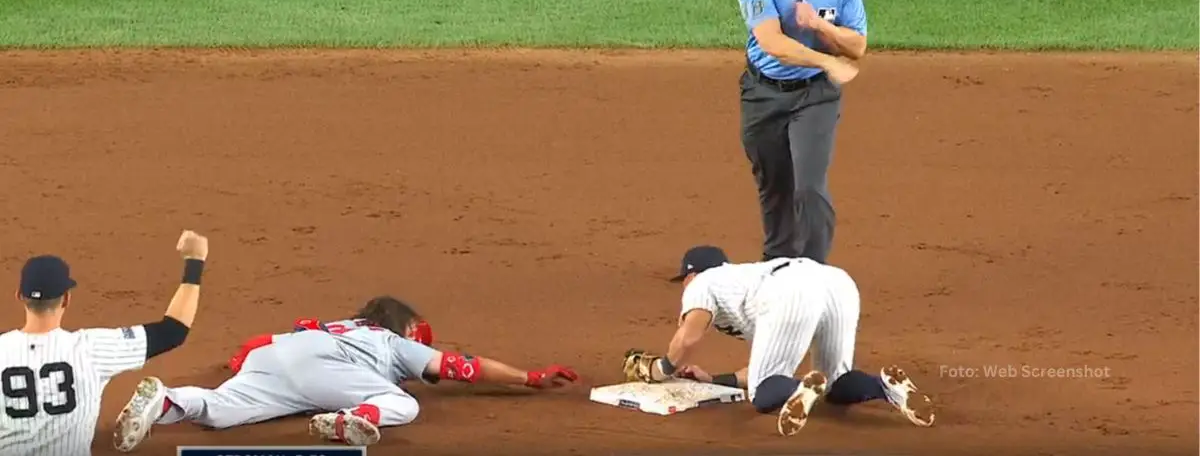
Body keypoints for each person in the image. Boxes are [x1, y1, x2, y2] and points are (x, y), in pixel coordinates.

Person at [112, 296, 579, 451]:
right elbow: (465, 368)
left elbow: (250, 350)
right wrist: (528, 378)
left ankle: (168, 400)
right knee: (405, 404)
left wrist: (242, 369)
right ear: (401, 326)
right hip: (328, 372)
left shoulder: (325, 325)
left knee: (218, 411)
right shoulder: (389, 341)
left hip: (276, 357)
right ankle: (343, 421)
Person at [621, 245, 934, 436]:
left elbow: (688, 337)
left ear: (691, 274)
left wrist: (662, 368)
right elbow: (761, 366)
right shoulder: (742, 284)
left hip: (789, 290)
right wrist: (715, 380)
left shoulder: (702, 282)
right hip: (836, 282)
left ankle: (801, 390)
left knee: (763, 395)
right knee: (837, 384)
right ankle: (885, 387)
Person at [736, 0, 869, 264]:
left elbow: (857, 46)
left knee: (808, 188)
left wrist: (820, 26)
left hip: (815, 95)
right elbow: (771, 42)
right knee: (774, 185)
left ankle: (813, 273)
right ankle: (776, 266)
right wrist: (827, 60)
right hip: (762, 93)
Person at [0, 230, 210, 456]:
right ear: (67, 299)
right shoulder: (91, 349)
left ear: (19, 296)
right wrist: (194, 261)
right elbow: (173, 331)